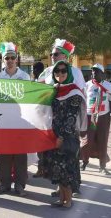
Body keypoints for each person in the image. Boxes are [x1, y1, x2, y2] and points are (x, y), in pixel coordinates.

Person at [38, 38, 83, 198]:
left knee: (70, 156)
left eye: (56, 54)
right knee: (56, 159)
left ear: (65, 56)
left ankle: (73, 187)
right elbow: (40, 89)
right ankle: (61, 188)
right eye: (51, 54)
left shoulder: (75, 72)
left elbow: (78, 95)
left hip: (70, 123)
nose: (53, 56)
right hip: (52, 121)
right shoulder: (48, 72)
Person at [43, 60, 87, 209]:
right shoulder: (55, 90)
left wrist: (61, 137)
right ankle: (62, 199)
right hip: (53, 135)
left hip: (66, 137)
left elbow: (71, 117)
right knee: (57, 168)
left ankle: (68, 200)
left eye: (63, 71)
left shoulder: (74, 92)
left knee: (66, 169)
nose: (60, 74)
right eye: (57, 71)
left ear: (68, 73)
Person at [0, 42, 30, 197]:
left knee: (20, 155)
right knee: (2, 155)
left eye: (12, 57)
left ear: (16, 59)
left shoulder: (25, 76)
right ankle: (4, 184)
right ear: (3, 60)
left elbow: (29, 98)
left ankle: (20, 185)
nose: (9, 60)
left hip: (20, 121)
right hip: (2, 121)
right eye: (6, 57)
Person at [81, 63, 111, 175]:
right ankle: (85, 161)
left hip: (103, 117)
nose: (93, 73)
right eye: (92, 71)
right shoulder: (86, 85)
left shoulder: (108, 86)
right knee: (87, 141)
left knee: (103, 141)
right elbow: (82, 102)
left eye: (96, 71)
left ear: (102, 74)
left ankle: (102, 166)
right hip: (89, 116)